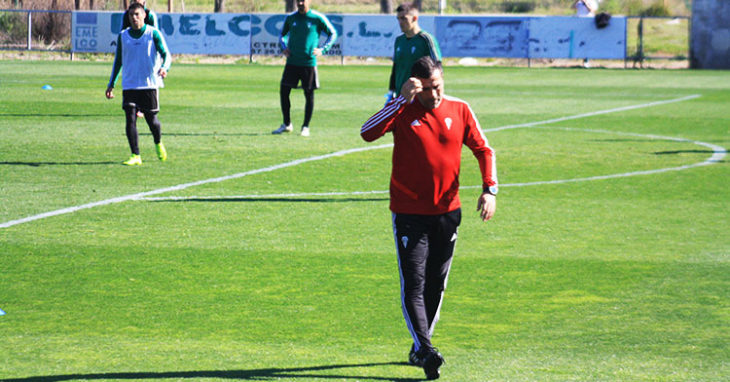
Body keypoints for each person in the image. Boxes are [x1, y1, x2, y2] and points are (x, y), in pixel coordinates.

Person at [360, 57, 497, 380]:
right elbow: (367, 133)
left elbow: (484, 149)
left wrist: (489, 189)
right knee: (414, 283)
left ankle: (420, 346)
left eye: (439, 86)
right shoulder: (402, 109)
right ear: (415, 86)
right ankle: (425, 348)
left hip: (448, 213)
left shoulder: (459, 109)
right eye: (429, 89)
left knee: (436, 282)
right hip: (409, 214)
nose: (435, 94)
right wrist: (398, 101)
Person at [106, 2, 171, 166]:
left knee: (152, 121)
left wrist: (164, 68)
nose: (134, 18)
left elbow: (166, 54)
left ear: (144, 16)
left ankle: (158, 143)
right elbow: (118, 61)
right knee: (130, 119)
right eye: (131, 15)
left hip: (149, 84)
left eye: (137, 15)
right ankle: (135, 155)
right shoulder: (123, 36)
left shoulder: (153, 33)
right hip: (129, 84)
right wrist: (111, 83)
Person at [272, 0, 338, 137]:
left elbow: (333, 34)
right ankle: (287, 124)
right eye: (298, 1)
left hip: (308, 63)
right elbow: (281, 35)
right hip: (292, 62)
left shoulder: (317, 18)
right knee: (284, 91)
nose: (300, 3)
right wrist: (284, 48)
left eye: (303, 0)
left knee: (308, 94)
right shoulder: (291, 18)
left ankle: (305, 127)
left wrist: (323, 50)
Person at [386, 3, 441, 104]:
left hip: (419, 96)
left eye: (403, 18)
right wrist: (391, 91)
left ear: (415, 18)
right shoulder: (399, 40)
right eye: (398, 19)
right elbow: (396, 67)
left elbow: (438, 68)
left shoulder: (426, 40)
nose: (400, 22)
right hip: (401, 95)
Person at [573, 0, 598, 68]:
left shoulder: (592, 1)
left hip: (588, 24)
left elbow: (592, 10)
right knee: (579, 42)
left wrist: (585, 3)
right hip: (579, 23)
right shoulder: (579, 2)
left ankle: (586, 61)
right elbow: (573, 8)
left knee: (587, 42)